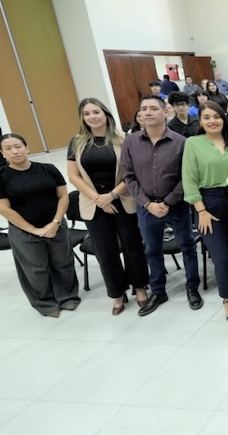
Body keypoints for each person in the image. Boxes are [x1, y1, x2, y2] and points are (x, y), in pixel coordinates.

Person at [121, 95, 202, 316]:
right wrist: (147, 204)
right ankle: (158, 291)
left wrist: (167, 202)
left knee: (187, 246)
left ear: (165, 112)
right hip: (146, 208)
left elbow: (187, 177)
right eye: (144, 109)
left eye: (153, 109)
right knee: (152, 250)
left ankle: (192, 288)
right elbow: (128, 176)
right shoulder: (130, 142)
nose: (147, 113)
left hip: (175, 206)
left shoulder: (180, 142)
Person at [67, 98, 149, 315]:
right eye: (87, 114)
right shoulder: (77, 142)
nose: (92, 117)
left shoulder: (124, 139)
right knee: (105, 251)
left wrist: (111, 195)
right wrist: (98, 198)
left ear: (105, 114)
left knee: (133, 248)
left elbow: (133, 173)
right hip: (94, 204)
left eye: (96, 112)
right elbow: (73, 176)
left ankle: (140, 288)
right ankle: (117, 293)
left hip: (122, 198)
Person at [0, 133, 81, 317]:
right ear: (2, 153)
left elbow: (63, 196)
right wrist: (34, 230)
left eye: (18, 146)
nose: (15, 151)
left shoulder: (47, 169)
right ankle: (44, 302)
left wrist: (55, 222)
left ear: (27, 148)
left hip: (55, 225)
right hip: (24, 231)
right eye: (8, 149)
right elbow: (4, 209)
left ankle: (68, 296)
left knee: (63, 263)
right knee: (36, 269)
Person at [183, 101, 228, 323]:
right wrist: (200, 209)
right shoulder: (193, 143)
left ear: (223, 119)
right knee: (222, 257)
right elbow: (189, 178)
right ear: (200, 122)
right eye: (206, 117)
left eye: (216, 116)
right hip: (209, 204)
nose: (212, 121)